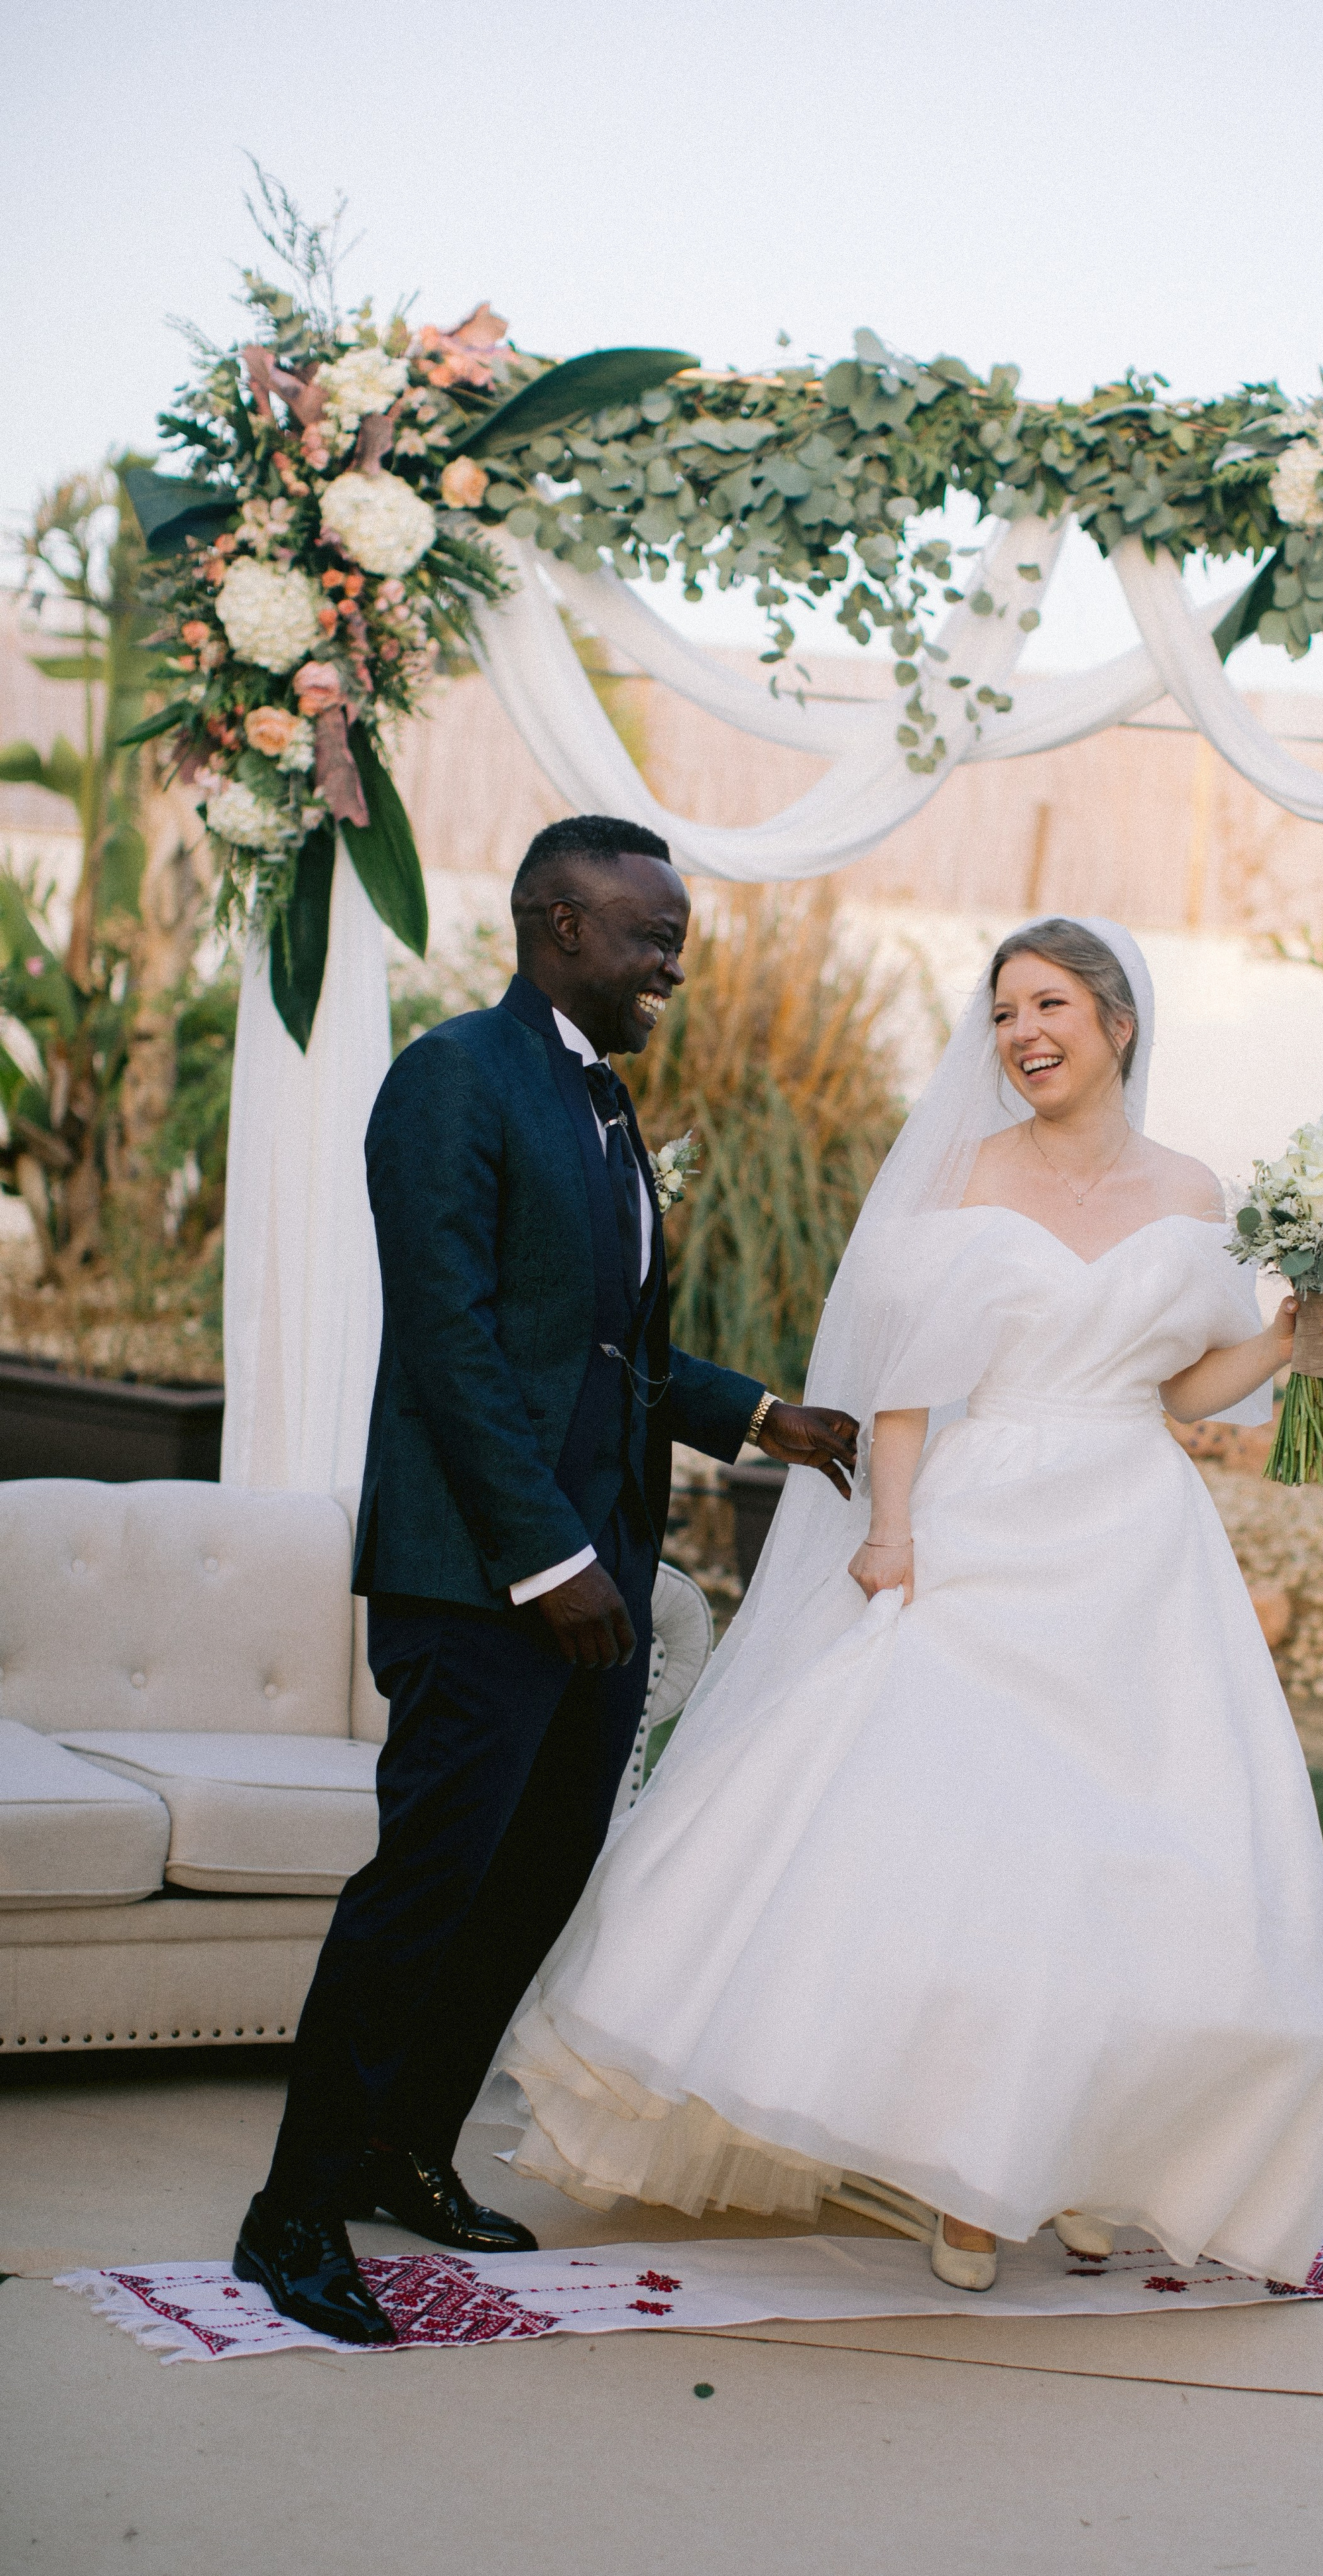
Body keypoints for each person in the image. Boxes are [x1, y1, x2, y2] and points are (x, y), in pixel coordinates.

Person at [499, 915, 1323, 2293]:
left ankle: (1093, 2164)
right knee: (984, 1852)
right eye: (1003, 1010)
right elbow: (905, 1386)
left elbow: (1182, 1388)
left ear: (1116, 1021)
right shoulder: (963, 1176)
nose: (1022, 1033)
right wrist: (890, 1531)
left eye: (1049, 1005)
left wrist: (1281, 1338)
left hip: (1136, 1549)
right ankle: (967, 2176)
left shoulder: (1199, 1189)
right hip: (983, 1527)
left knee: (1144, 1864)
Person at [235, 816, 858, 2343]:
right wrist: (546, 1559)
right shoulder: (456, 1075)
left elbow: (610, 1349)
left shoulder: (600, 1108)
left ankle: (404, 2151)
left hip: (594, 1574)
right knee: (422, 1890)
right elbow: (448, 1345)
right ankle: (293, 2208)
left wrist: (760, 1415)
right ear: (555, 924)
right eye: (652, 939)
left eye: (677, 945)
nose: (670, 970)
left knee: (529, 1884)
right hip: (483, 1579)